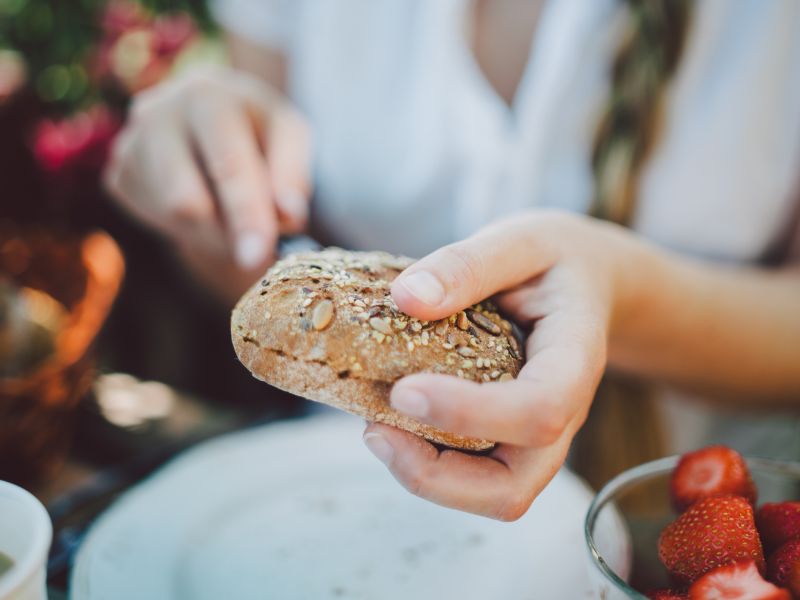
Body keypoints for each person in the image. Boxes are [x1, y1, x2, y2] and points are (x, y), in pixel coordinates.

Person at [105, 0, 800, 520]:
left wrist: (619, 296)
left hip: (691, 525)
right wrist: (207, 192)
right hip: (334, 499)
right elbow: (268, 290)